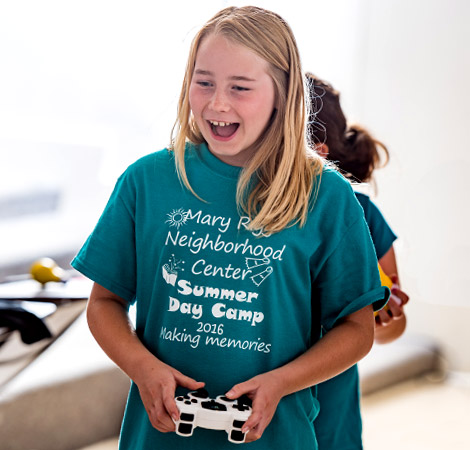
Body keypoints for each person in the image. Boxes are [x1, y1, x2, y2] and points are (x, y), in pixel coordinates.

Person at [71, 7, 388, 450]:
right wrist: (143, 368)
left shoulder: (327, 196)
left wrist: (282, 382)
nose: (217, 103)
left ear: (282, 92)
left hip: (277, 439)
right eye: (204, 82)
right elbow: (104, 303)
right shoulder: (145, 182)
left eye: (240, 88)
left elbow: (358, 329)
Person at [306, 72, 410, 449]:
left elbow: (391, 329)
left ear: (318, 150)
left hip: (329, 417)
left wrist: (385, 317)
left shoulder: (362, 217)